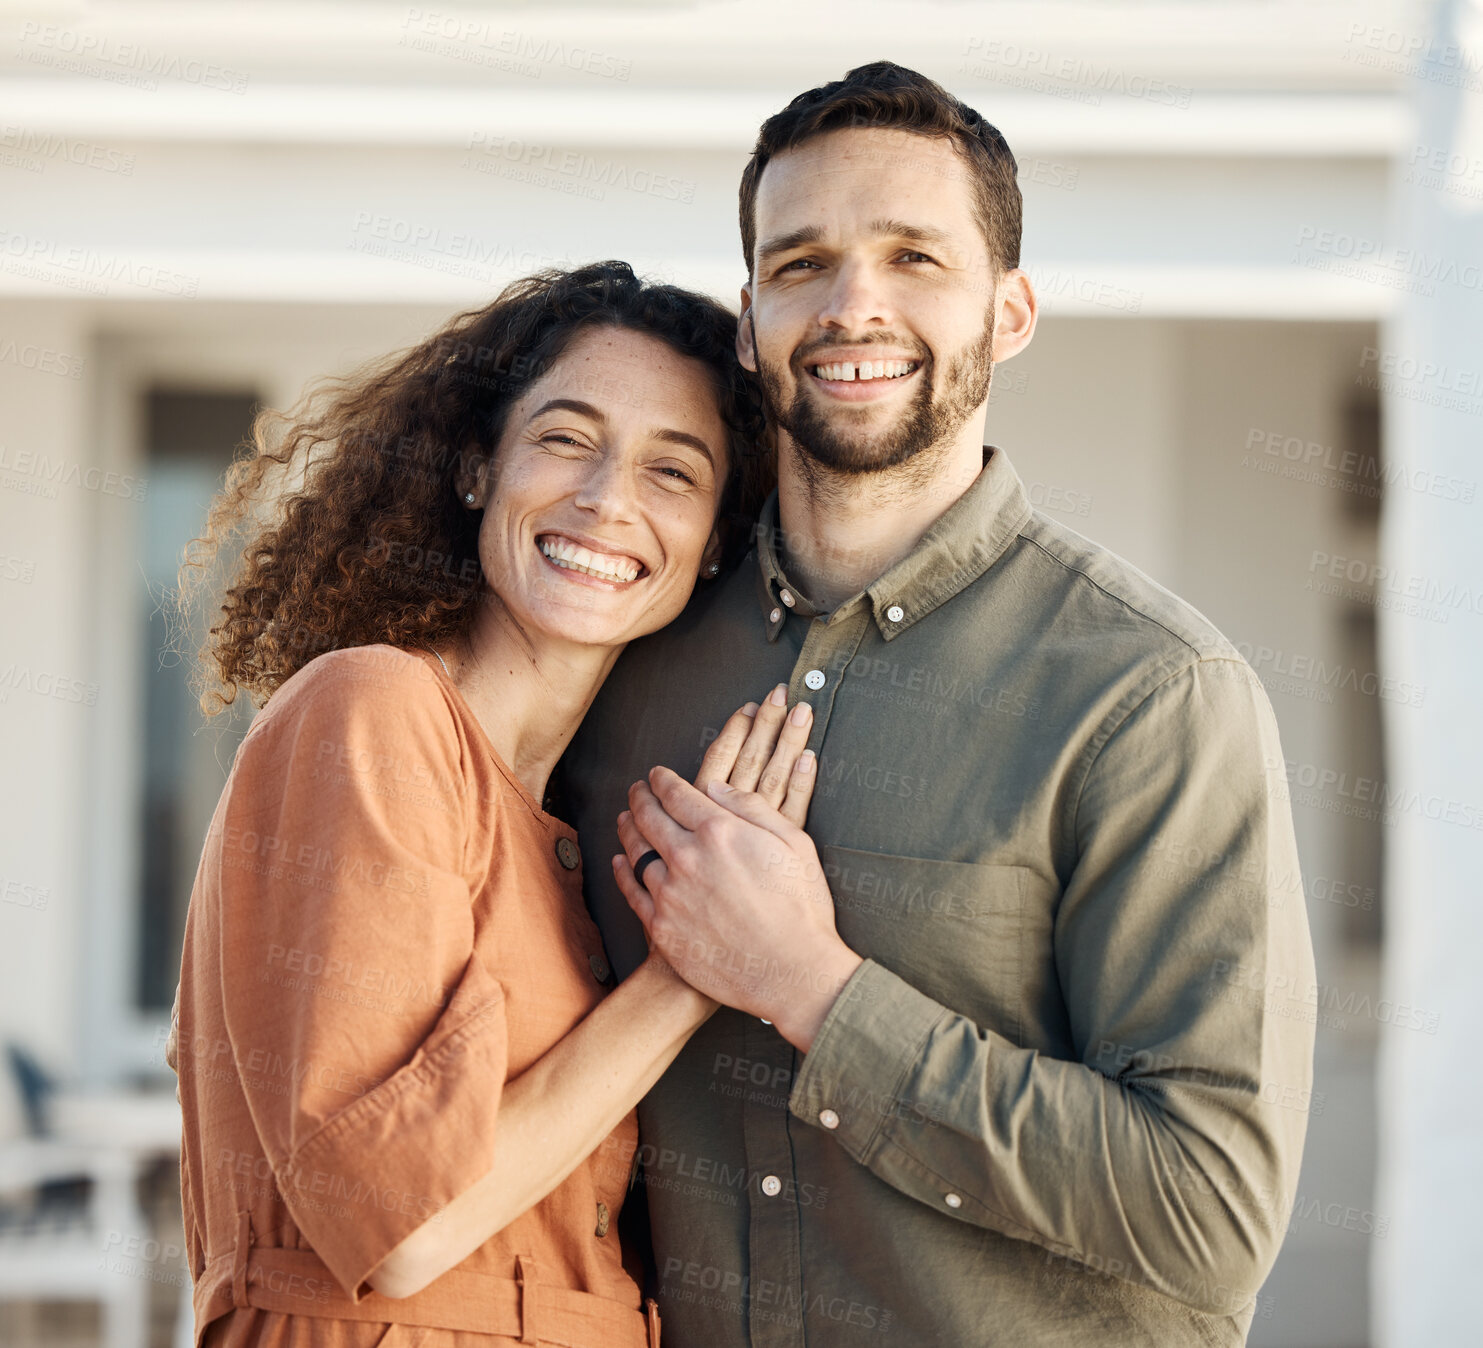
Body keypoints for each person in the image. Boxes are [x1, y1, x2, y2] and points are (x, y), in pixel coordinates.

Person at [561, 63, 1318, 1345]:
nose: (853, 305)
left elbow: (1207, 1208)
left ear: (1009, 310)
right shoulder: (627, 657)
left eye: (915, 257)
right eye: (801, 264)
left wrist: (810, 984)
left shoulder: (1148, 697)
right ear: (747, 319)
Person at [169, 261, 820, 1348]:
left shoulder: (575, 820)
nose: (607, 498)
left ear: (712, 544)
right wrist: (697, 970)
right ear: (478, 466)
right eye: (566, 438)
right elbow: (403, 1231)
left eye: (673, 470)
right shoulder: (373, 711)